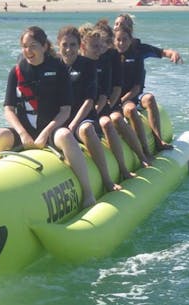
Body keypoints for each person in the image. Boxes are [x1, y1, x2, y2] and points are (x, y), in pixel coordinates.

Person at [0, 26, 96, 208]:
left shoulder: (58, 68)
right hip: (26, 132)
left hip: (51, 130)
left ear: (44, 46)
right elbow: (8, 109)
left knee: (65, 136)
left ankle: (88, 192)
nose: (28, 51)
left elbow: (65, 110)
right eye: (24, 46)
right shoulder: (17, 71)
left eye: (33, 45)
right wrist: (22, 133)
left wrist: (45, 133)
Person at [56, 26, 122, 192]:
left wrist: (72, 126)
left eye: (72, 45)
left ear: (79, 46)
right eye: (65, 45)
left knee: (86, 129)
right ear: (58, 45)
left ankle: (107, 179)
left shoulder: (88, 65)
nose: (68, 49)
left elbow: (89, 101)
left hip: (83, 117)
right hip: (61, 118)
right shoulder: (54, 66)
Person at [79, 23, 136, 180]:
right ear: (83, 46)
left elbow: (105, 95)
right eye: (95, 47)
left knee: (106, 124)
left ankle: (123, 168)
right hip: (78, 114)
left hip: (99, 109)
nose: (99, 50)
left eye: (100, 46)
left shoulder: (103, 64)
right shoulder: (72, 65)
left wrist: (94, 112)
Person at [114, 13, 177, 151]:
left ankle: (158, 141)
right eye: (116, 24)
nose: (118, 27)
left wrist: (172, 53)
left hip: (134, 95)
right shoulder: (109, 50)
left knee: (149, 98)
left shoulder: (138, 49)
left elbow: (161, 52)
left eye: (122, 24)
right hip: (115, 97)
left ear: (130, 29)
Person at [95, 19, 151, 168]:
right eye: (98, 43)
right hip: (93, 107)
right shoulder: (88, 59)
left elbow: (117, 88)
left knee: (117, 119)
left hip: (110, 104)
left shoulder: (114, 58)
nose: (101, 46)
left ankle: (142, 154)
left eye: (106, 42)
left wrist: (111, 105)